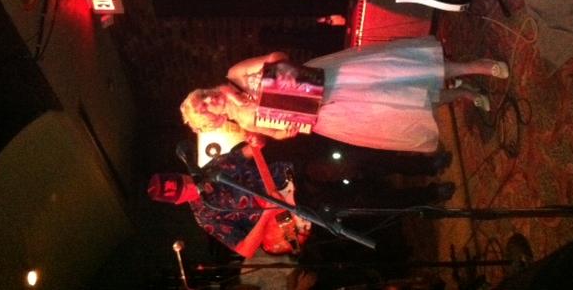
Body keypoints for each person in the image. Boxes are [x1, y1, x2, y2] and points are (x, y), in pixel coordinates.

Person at [180, 36, 509, 153]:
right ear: (215, 119)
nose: (210, 101)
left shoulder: (235, 75)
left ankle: (474, 67)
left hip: (330, 81)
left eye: (204, 96)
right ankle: (464, 93)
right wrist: (287, 131)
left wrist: (273, 82)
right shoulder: (245, 124)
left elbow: (276, 56)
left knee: (400, 73)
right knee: (406, 103)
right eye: (206, 108)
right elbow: (278, 134)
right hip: (330, 116)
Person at [147, 138, 311, 259]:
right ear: (179, 201)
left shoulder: (212, 168)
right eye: (185, 190)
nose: (191, 185)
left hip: (289, 177)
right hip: (286, 217)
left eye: (185, 180)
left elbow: (248, 150)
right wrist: (266, 214)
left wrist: (255, 141)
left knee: (314, 164)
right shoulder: (205, 216)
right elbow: (245, 250)